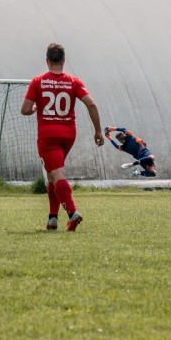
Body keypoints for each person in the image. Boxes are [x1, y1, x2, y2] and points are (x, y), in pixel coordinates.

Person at [21, 43, 104, 231]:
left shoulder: (38, 81)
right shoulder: (74, 82)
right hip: (68, 134)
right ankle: (52, 218)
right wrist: (98, 131)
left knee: (57, 174)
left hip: (48, 135)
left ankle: (73, 213)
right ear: (64, 61)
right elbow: (91, 104)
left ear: (47, 60)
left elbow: (25, 109)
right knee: (52, 175)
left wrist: (35, 108)